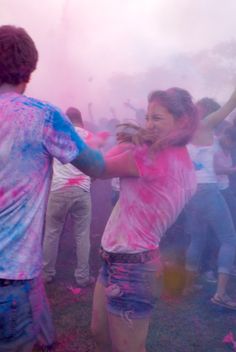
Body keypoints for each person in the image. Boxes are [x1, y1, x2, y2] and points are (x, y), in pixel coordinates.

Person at [0, 25, 104, 352]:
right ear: (30, 69)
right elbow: (96, 167)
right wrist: (136, 150)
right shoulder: (43, 116)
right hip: (12, 277)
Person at [91, 87, 198, 352]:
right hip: (115, 258)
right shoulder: (171, 156)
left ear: (181, 121)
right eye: (147, 117)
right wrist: (135, 142)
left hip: (132, 267)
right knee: (99, 333)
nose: (148, 124)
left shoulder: (151, 159)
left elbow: (96, 167)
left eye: (157, 118)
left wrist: (126, 143)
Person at [184, 92, 236, 309]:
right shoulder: (203, 125)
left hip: (191, 191)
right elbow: (230, 104)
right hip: (208, 189)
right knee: (230, 239)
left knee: (197, 238)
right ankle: (221, 294)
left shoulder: (185, 130)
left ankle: (188, 286)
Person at [43, 107, 95, 287]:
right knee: (82, 235)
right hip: (81, 190)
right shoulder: (90, 137)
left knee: (51, 233)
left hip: (59, 190)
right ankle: (82, 277)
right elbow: (95, 166)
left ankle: (47, 274)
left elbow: (47, 161)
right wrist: (89, 181)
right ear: (81, 119)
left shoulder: (59, 135)